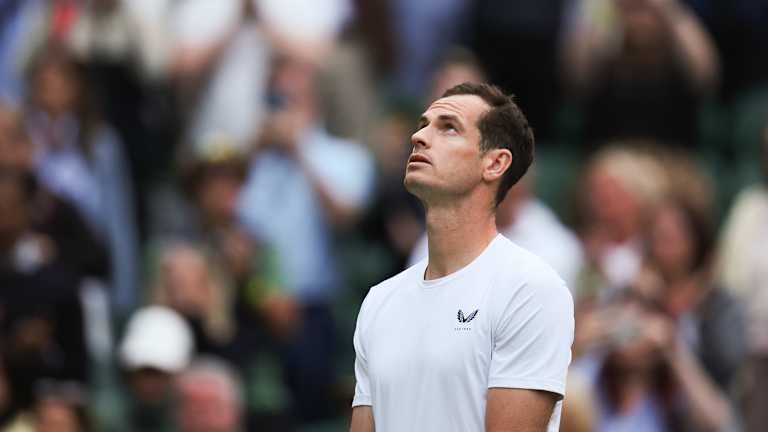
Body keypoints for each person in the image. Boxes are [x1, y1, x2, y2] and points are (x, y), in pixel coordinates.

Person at [350, 83, 574, 432]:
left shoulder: (532, 289)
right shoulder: (379, 301)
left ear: (495, 163)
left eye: (448, 127)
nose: (419, 136)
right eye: (423, 124)